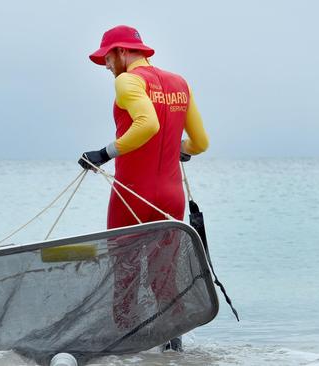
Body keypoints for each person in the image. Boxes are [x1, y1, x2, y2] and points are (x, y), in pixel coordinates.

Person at [78, 25, 209, 352]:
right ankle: (172, 350)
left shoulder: (128, 81)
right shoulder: (180, 83)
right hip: (170, 195)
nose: (106, 66)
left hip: (132, 193)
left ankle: (126, 350)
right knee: (163, 275)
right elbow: (201, 142)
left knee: (124, 274)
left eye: (107, 57)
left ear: (122, 52)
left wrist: (104, 154)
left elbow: (147, 124)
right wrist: (183, 149)